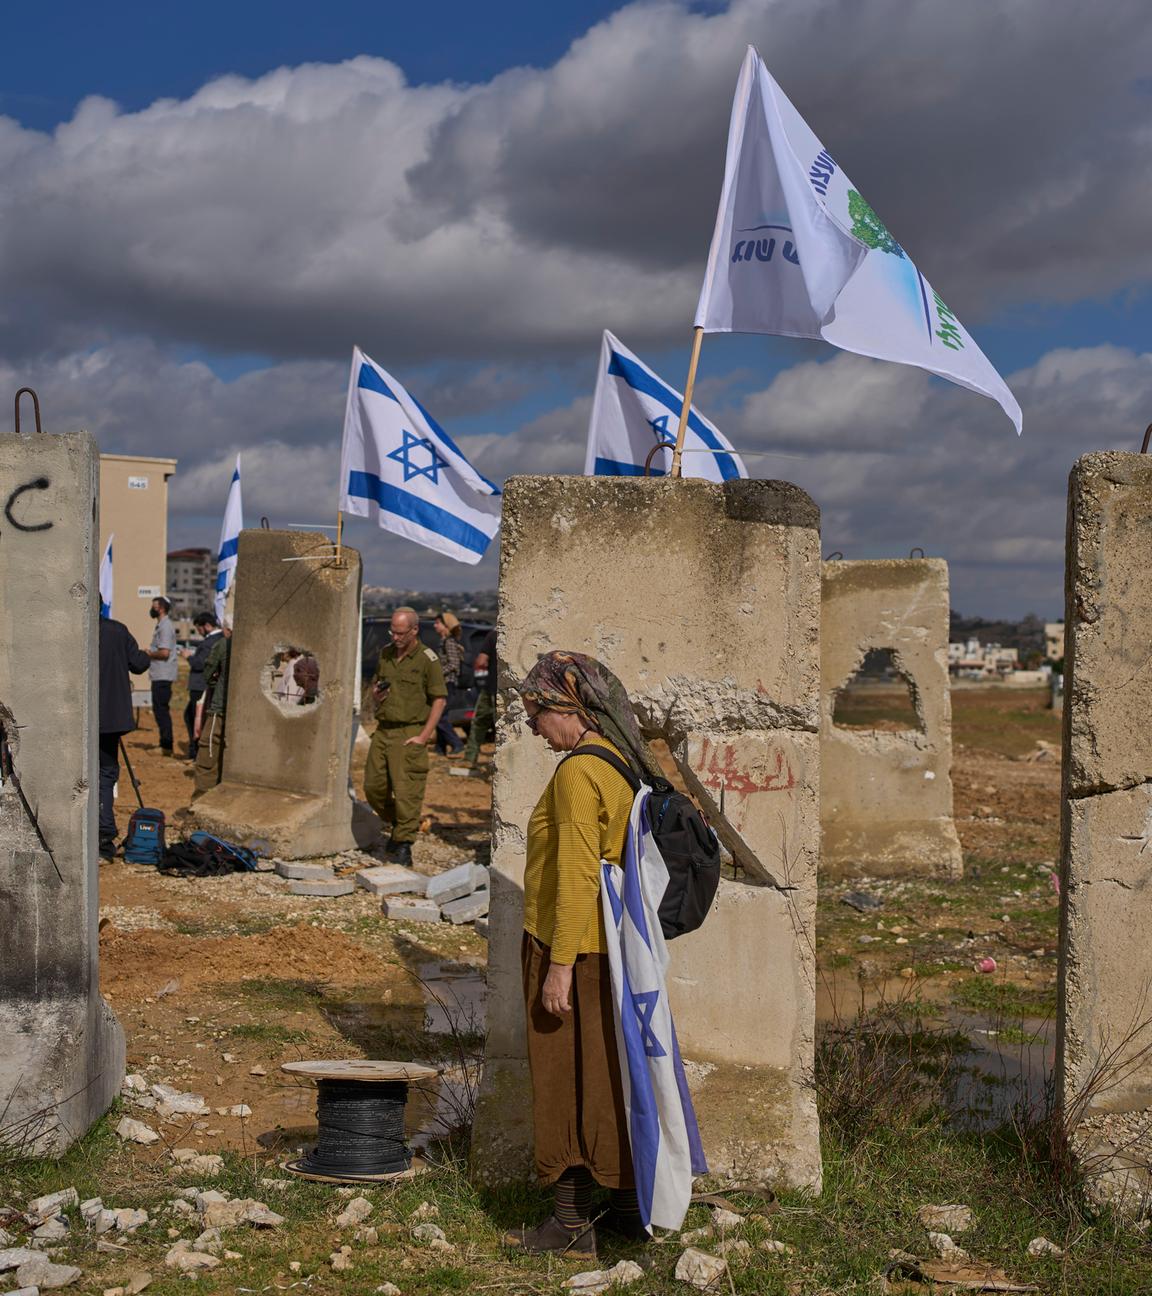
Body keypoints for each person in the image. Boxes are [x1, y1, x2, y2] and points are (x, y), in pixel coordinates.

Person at [505, 650, 665, 1258]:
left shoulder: (578, 773)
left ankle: (570, 1223)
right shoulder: (617, 762)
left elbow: (577, 874)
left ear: (566, 706)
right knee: (605, 1080)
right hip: (609, 950)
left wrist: (559, 968)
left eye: (535, 716)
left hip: (571, 947)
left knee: (563, 1082)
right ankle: (626, 1211)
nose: (534, 730)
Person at [362, 607, 446, 867]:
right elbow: (378, 683)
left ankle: (403, 842)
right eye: (393, 632)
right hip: (384, 729)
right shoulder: (386, 654)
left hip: (410, 730)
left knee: (407, 790)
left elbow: (439, 700)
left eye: (400, 633)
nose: (396, 638)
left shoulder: (427, 659)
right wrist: (376, 695)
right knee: (373, 787)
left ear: (414, 630)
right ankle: (400, 824)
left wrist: (424, 736)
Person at [98, 614, 151, 860]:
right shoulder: (117, 631)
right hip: (110, 717)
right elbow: (139, 664)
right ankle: (103, 836)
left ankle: (98, 832)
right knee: (105, 774)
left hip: (79, 718)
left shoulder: (73, 627)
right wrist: (146, 654)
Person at [193, 616, 232, 795]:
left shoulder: (224, 644)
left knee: (208, 756)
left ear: (227, 630)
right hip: (244, 713)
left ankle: (201, 801)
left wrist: (217, 684)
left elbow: (208, 673)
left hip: (220, 709)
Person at [182, 611, 222, 760]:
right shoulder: (217, 639)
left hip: (199, 686)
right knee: (192, 716)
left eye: (199, 628)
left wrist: (189, 657)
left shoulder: (209, 642)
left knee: (195, 719)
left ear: (207, 625)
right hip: (204, 685)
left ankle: (195, 752)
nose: (198, 632)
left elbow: (200, 664)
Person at [459, 623, 497, 772]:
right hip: (506, 690)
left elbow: (481, 661)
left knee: (479, 724)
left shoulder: (493, 636)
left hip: (489, 688)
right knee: (502, 727)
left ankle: (470, 758)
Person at [145, 595, 178, 756]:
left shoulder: (165, 627)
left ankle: (166, 745)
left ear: (162, 608)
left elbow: (164, 653)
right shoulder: (161, 625)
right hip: (159, 674)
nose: (152, 609)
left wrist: (149, 653)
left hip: (163, 675)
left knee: (161, 711)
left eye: (155, 606)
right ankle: (164, 744)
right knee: (159, 710)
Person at [433, 611, 466, 756]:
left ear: (446, 625)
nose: (435, 626)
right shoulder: (443, 641)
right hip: (444, 684)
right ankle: (440, 748)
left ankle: (456, 743)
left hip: (448, 683)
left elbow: (454, 664)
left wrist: (438, 673)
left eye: (437, 623)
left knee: (439, 717)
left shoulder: (449, 642)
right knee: (441, 715)